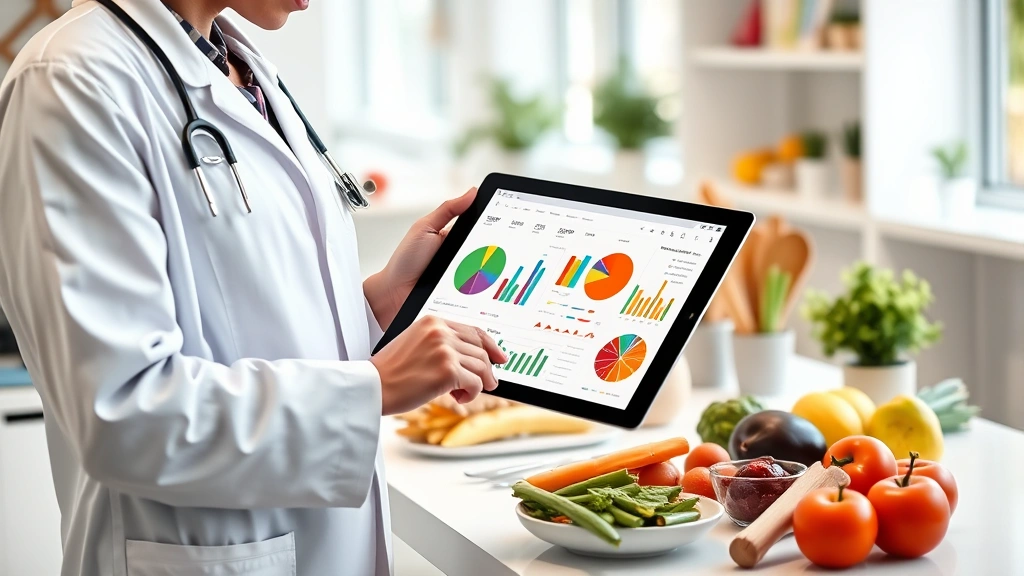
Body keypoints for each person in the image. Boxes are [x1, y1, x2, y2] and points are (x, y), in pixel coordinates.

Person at [0, 0, 505, 574]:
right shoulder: (71, 81)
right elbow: (121, 413)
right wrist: (370, 391)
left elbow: (247, 321)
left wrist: (379, 304)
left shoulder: (238, 65)